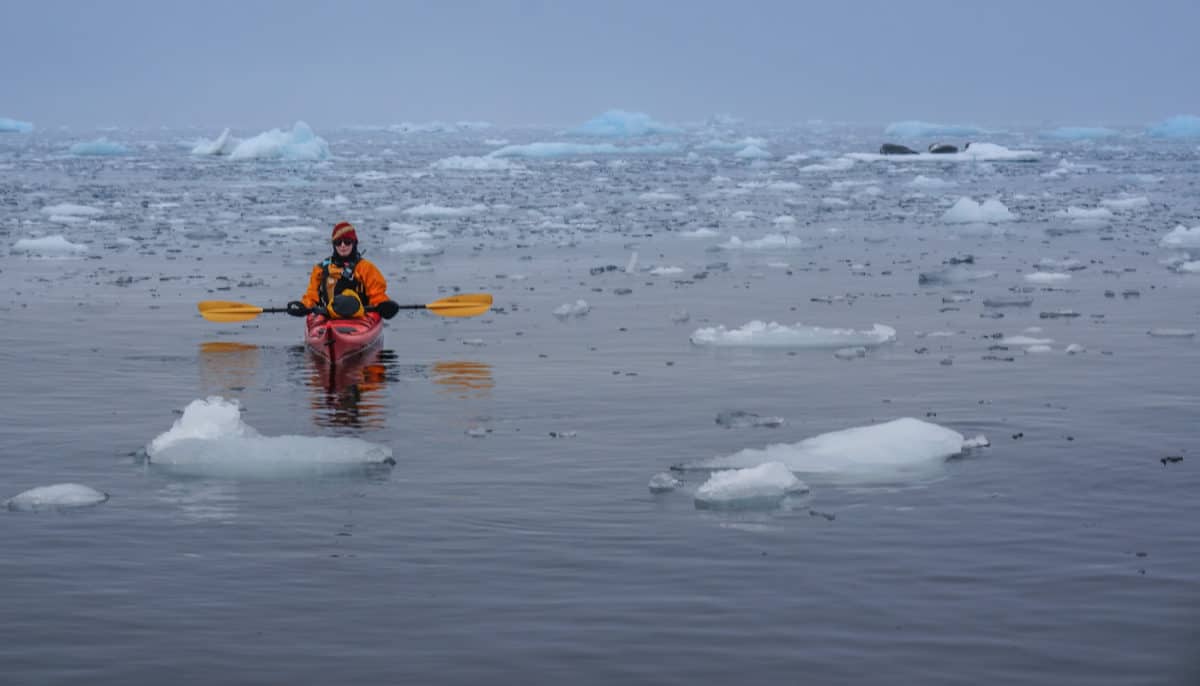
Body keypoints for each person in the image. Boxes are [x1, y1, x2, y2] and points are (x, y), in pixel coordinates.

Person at [287, 221, 401, 320]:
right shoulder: (321, 269)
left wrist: (383, 305)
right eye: (338, 242)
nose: (342, 246)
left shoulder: (366, 268)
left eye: (347, 241)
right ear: (333, 245)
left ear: (354, 243)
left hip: (359, 316)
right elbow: (311, 296)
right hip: (328, 315)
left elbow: (377, 295)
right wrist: (303, 306)